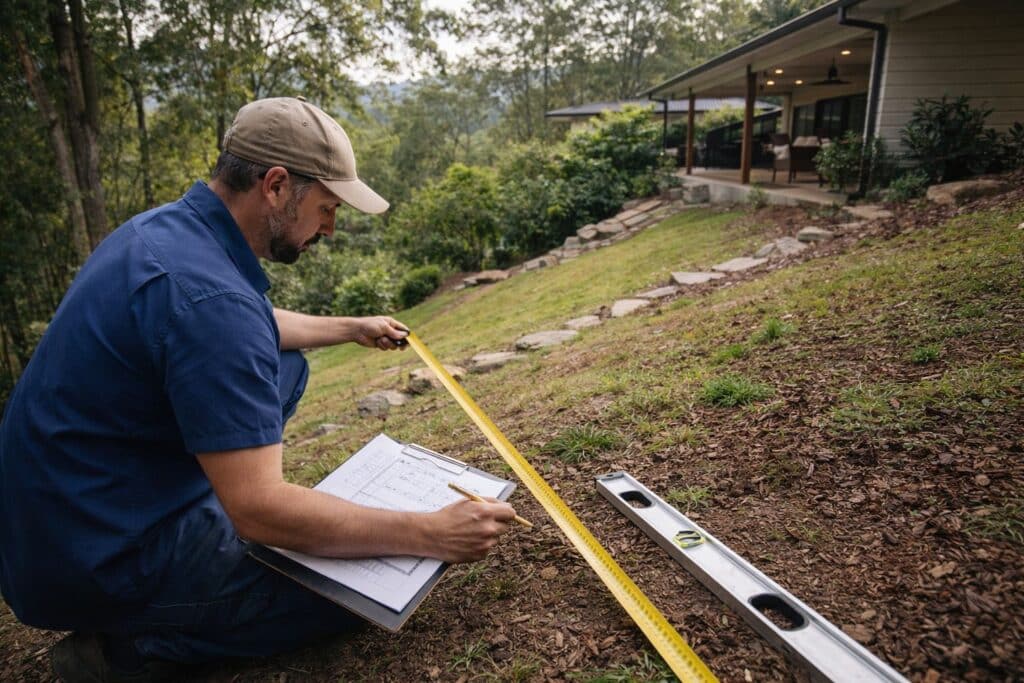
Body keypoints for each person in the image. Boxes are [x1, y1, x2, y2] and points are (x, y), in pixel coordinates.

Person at [0, 97, 518, 682]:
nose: (330, 227)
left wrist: (353, 328)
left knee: (288, 365)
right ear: (275, 185)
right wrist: (428, 532)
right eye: (326, 207)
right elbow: (260, 511)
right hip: (95, 558)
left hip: (56, 517)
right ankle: (125, 652)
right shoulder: (211, 305)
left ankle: (217, 492)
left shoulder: (165, 233)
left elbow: (253, 322)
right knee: (346, 594)